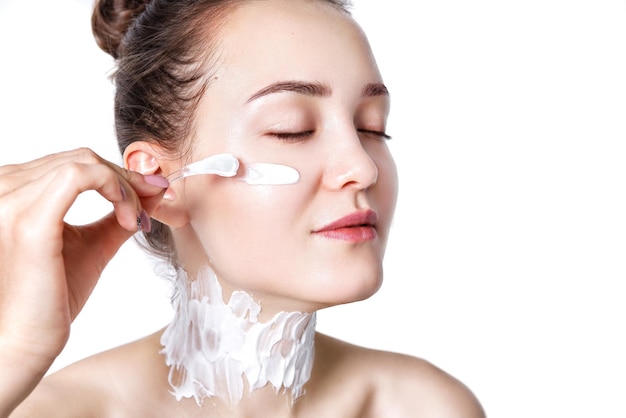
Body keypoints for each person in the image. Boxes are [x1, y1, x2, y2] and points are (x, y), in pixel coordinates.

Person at [0, 0, 486, 416]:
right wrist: (13, 352)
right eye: (291, 127)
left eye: (372, 127)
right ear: (162, 181)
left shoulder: (424, 407)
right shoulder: (51, 410)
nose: (363, 166)